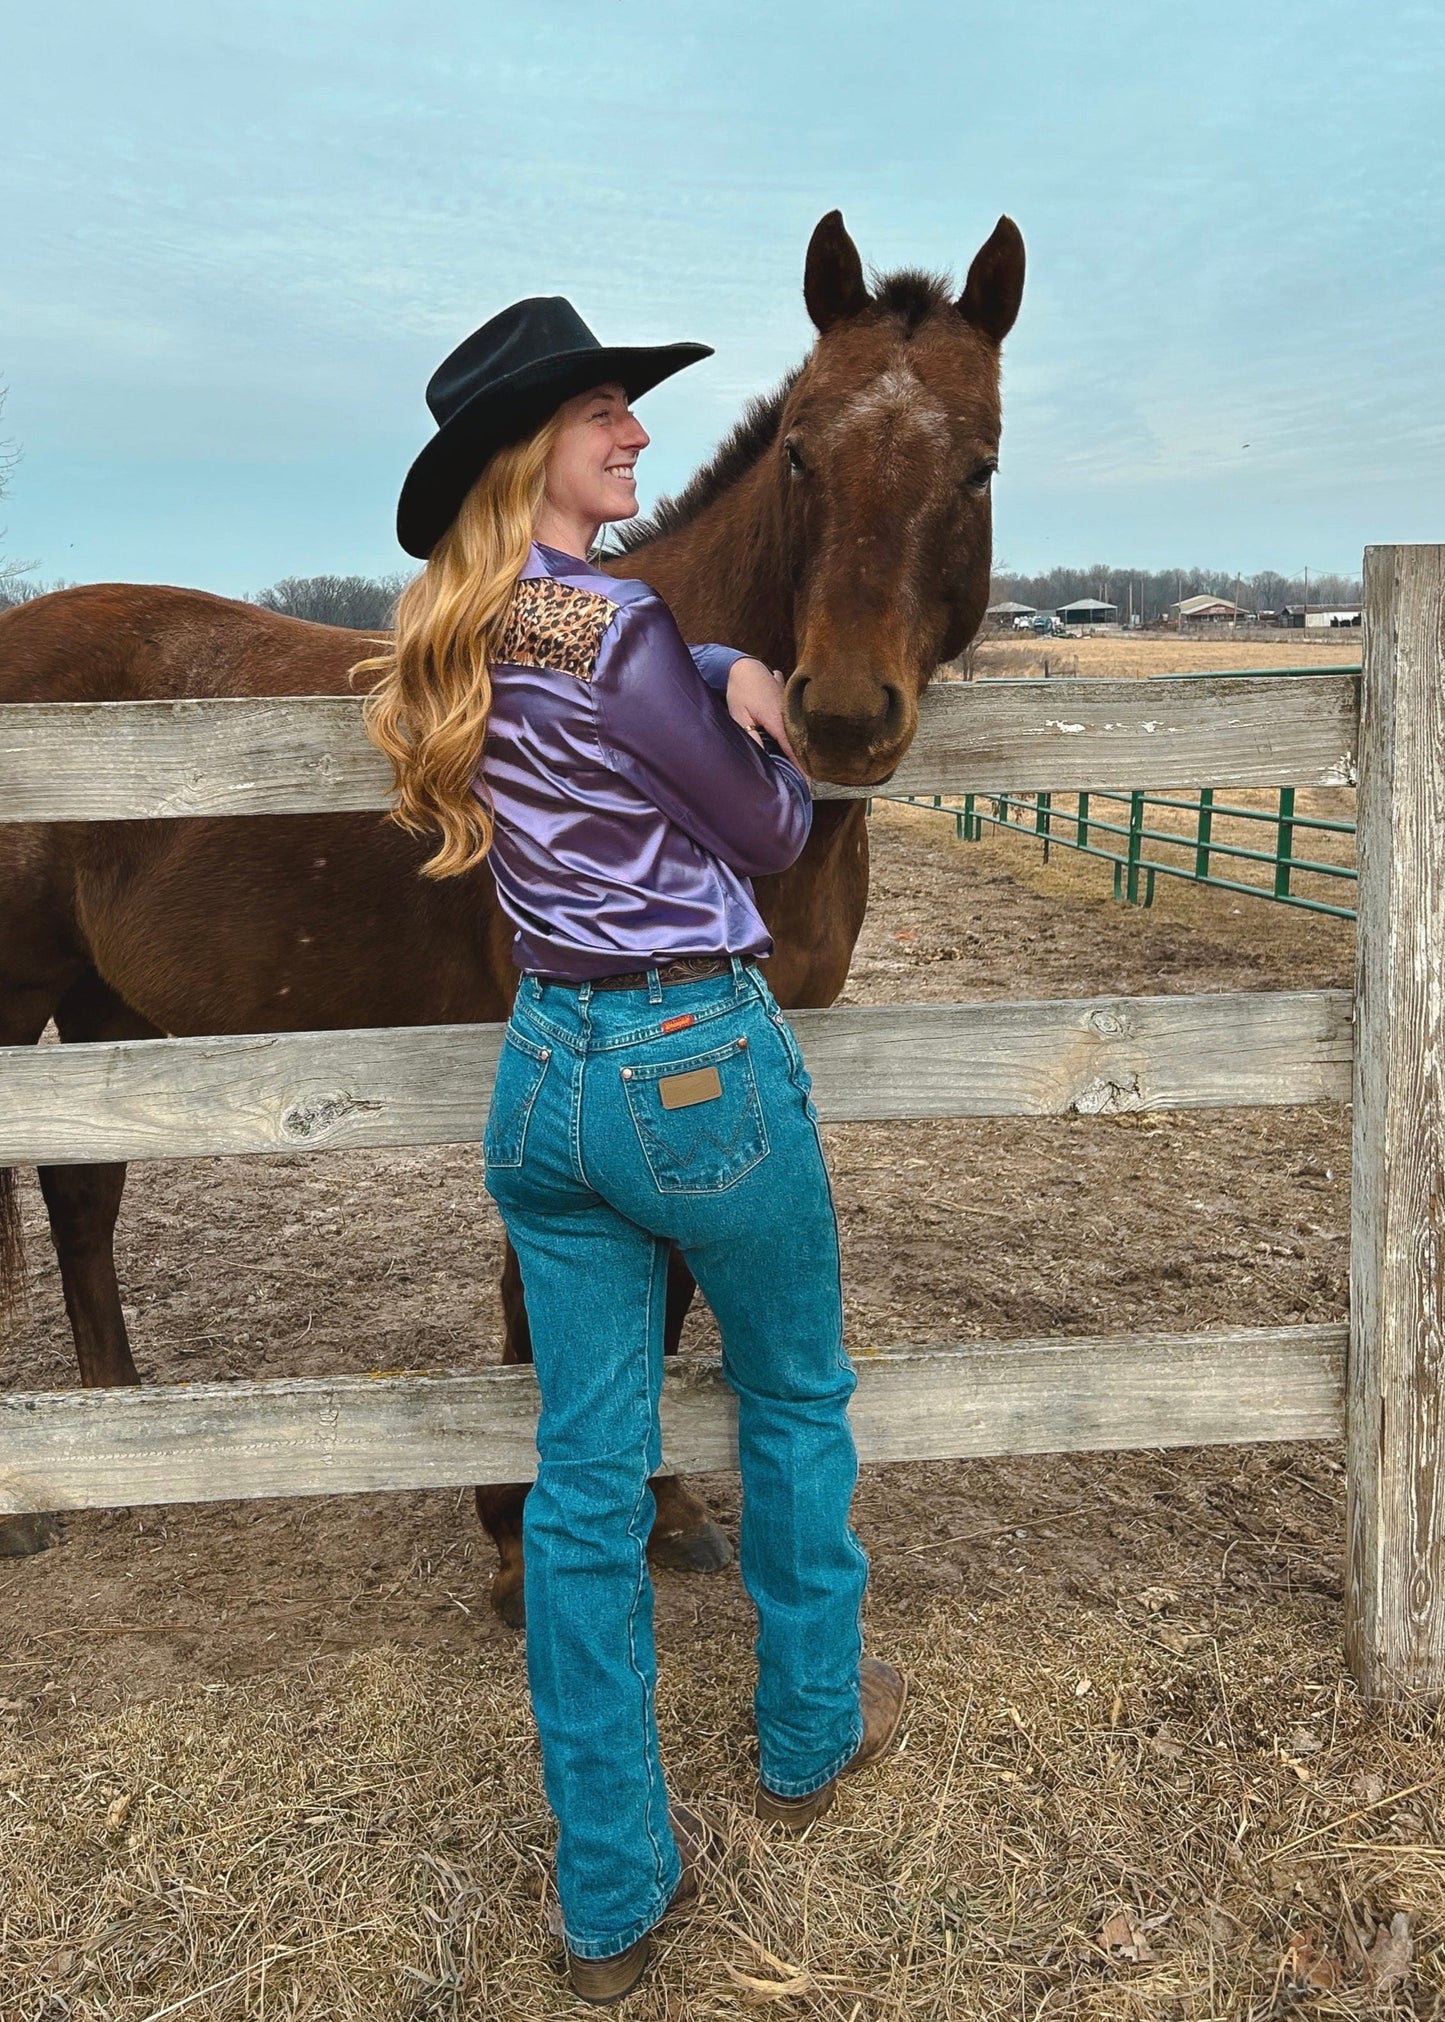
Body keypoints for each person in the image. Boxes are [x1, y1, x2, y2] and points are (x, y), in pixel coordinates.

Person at [359, 296, 905, 2005]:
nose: (639, 438)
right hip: (691, 1065)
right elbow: (762, 830)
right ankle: (807, 1740)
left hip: (545, 1081)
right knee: (798, 1396)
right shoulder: (616, 626)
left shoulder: (465, 634)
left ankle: (611, 1887)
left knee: (585, 1488)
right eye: (605, 415)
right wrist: (746, 694)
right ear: (534, 453)